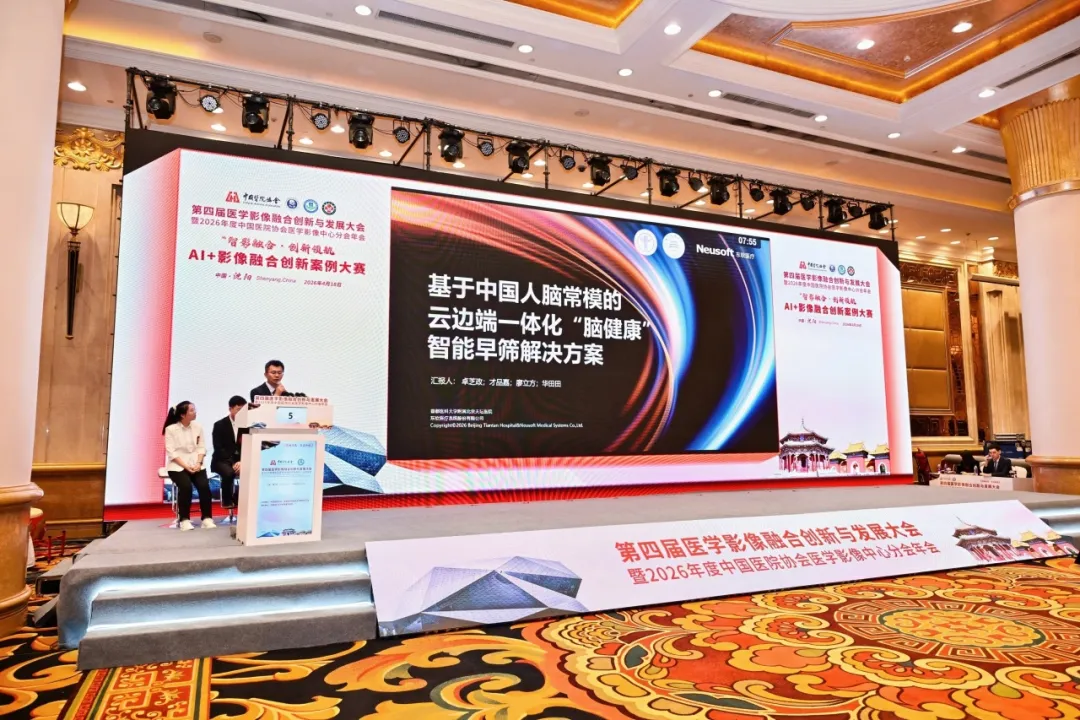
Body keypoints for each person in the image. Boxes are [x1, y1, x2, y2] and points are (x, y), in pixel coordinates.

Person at [163, 401, 215, 531]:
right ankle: (184, 519)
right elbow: (172, 452)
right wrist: (187, 467)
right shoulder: (171, 429)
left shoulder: (198, 427)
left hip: (196, 464)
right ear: (182, 415)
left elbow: (201, 447)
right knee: (186, 487)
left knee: (204, 486)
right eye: (191, 410)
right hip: (178, 466)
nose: (195, 412)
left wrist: (198, 463)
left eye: (194, 409)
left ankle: (207, 518)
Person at [212, 396, 247, 524]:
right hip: (222, 460)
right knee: (228, 473)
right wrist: (233, 463)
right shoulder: (219, 425)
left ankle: (239, 499)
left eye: (243, 410)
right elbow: (218, 448)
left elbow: (249, 446)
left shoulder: (248, 425)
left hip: (241, 460)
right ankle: (227, 501)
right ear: (230, 409)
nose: (241, 413)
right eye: (238, 409)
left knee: (251, 472)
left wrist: (243, 461)